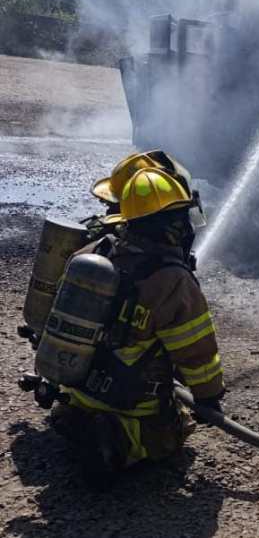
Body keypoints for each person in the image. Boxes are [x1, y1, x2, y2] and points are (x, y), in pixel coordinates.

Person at [50, 167, 225, 484]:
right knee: (174, 433)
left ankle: (76, 416)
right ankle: (118, 442)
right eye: (181, 220)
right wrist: (208, 397)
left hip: (80, 386)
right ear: (171, 225)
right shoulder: (172, 281)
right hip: (132, 405)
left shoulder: (92, 253)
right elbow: (196, 353)